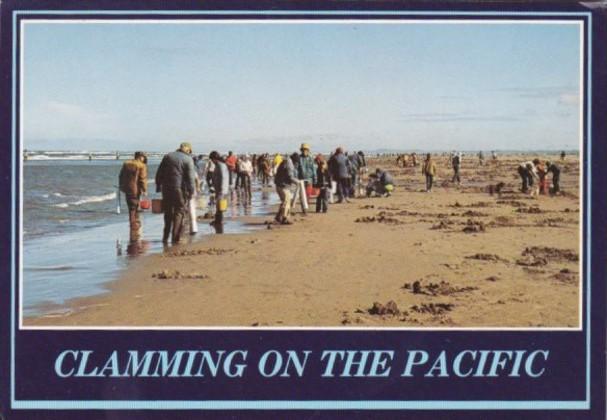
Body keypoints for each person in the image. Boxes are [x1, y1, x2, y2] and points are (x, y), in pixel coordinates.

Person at [155, 142, 196, 244]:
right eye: (190, 152)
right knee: (179, 211)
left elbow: (159, 172)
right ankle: (175, 236)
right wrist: (192, 191)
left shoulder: (168, 156)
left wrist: (158, 185)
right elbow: (191, 178)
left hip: (166, 188)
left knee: (168, 212)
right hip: (179, 189)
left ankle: (165, 237)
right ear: (188, 150)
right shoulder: (188, 159)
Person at [118, 151, 148, 241]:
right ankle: (133, 225)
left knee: (130, 206)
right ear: (140, 157)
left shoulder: (126, 164)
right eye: (143, 157)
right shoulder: (141, 165)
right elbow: (142, 179)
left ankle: (132, 223)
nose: (144, 159)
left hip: (127, 188)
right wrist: (145, 190)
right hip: (136, 189)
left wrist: (121, 186)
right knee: (134, 207)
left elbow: (121, 176)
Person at [274, 153, 298, 224]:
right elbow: (290, 176)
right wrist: (296, 182)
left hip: (279, 185)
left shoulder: (286, 161)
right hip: (283, 186)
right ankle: (285, 218)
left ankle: (278, 217)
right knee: (287, 201)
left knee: (284, 202)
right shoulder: (289, 164)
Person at [292, 143, 315, 215]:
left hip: (309, 180)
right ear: (301, 150)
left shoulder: (311, 158)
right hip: (301, 180)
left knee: (307, 195)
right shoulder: (299, 158)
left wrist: (315, 178)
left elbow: (313, 169)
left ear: (308, 150)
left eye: (306, 150)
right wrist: (296, 179)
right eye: (303, 150)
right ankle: (304, 209)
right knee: (302, 195)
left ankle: (305, 208)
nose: (305, 151)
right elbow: (295, 169)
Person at [209, 151, 229, 230]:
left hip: (221, 189)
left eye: (212, 159)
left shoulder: (221, 165)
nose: (212, 161)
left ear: (214, 158)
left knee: (220, 206)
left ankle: (219, 221)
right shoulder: (218, 165)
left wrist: (221, 189)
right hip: (219, 189)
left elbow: (223, 178)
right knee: (218, 205)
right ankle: (217, 220)